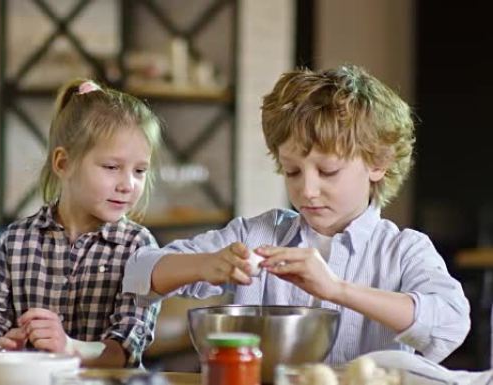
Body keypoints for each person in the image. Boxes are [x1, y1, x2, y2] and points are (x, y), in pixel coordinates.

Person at [123, 64, 470, 364]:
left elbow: (451, 324)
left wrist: (337, 290)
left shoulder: (403, 251)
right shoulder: (256, 236)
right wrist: (205, 264)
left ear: (378, 163)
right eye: (292, 172)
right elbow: (139, 270)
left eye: (328, 171)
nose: (307, 190)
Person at [0, 79, 162, 368]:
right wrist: (1, 348)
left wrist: (70, 347)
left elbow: (125, 353)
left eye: (139, 170)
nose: (128, 184)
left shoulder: (138, 247)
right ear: (62, 163)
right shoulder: (13, 242)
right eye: (112, 167)